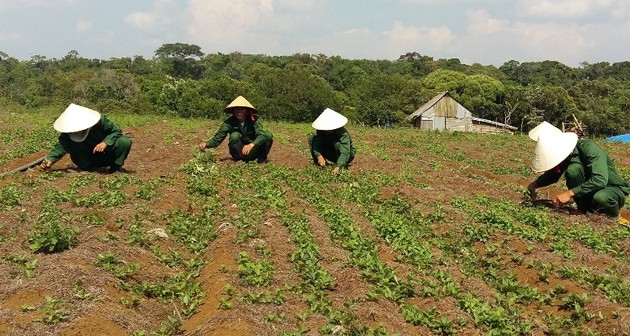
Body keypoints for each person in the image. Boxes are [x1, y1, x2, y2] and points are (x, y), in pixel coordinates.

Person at [527, 123, 629, 224]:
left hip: (610, 189)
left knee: (601, 197)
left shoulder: (589, 148)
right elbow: (554, 174)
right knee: (573, 170)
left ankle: (613, 218)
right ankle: (583, 208)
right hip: (590, 191)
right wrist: (535, 184)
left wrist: (569, 193)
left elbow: (600, 180)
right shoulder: (567, 155)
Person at [40, 103, 132, 173]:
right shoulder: (69, 131)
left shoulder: (100, 121)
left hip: (106, 154)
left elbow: (116, 131)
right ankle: (87, 168)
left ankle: (115, 168)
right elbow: (61, 146)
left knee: (124, 141)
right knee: (75, 145)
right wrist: (50, 159)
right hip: (86, 159)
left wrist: (105, 142)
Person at [198, 96, 273, 163]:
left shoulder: (254, 120)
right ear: (233, 111)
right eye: (236, 109)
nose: (239, 111)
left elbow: (261, 135)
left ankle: (261, 159)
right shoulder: (229, 122)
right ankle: (239, 159)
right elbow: (217, 138)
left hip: (253, 149)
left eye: (242, 108)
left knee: (268, 135)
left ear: (246, 110)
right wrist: (206, 144)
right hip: (239, 152)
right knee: (234, 135)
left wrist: (251, 145)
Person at [308, 108, 355, 174]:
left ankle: (341, 165)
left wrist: (338, 166)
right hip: (330, 152)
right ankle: (320, 163)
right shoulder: (321, 130)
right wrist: (319, 155)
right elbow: (317, 143)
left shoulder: (343, 133)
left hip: (345, 155)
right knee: (311, 138)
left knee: (337, 144)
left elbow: (345, 152)